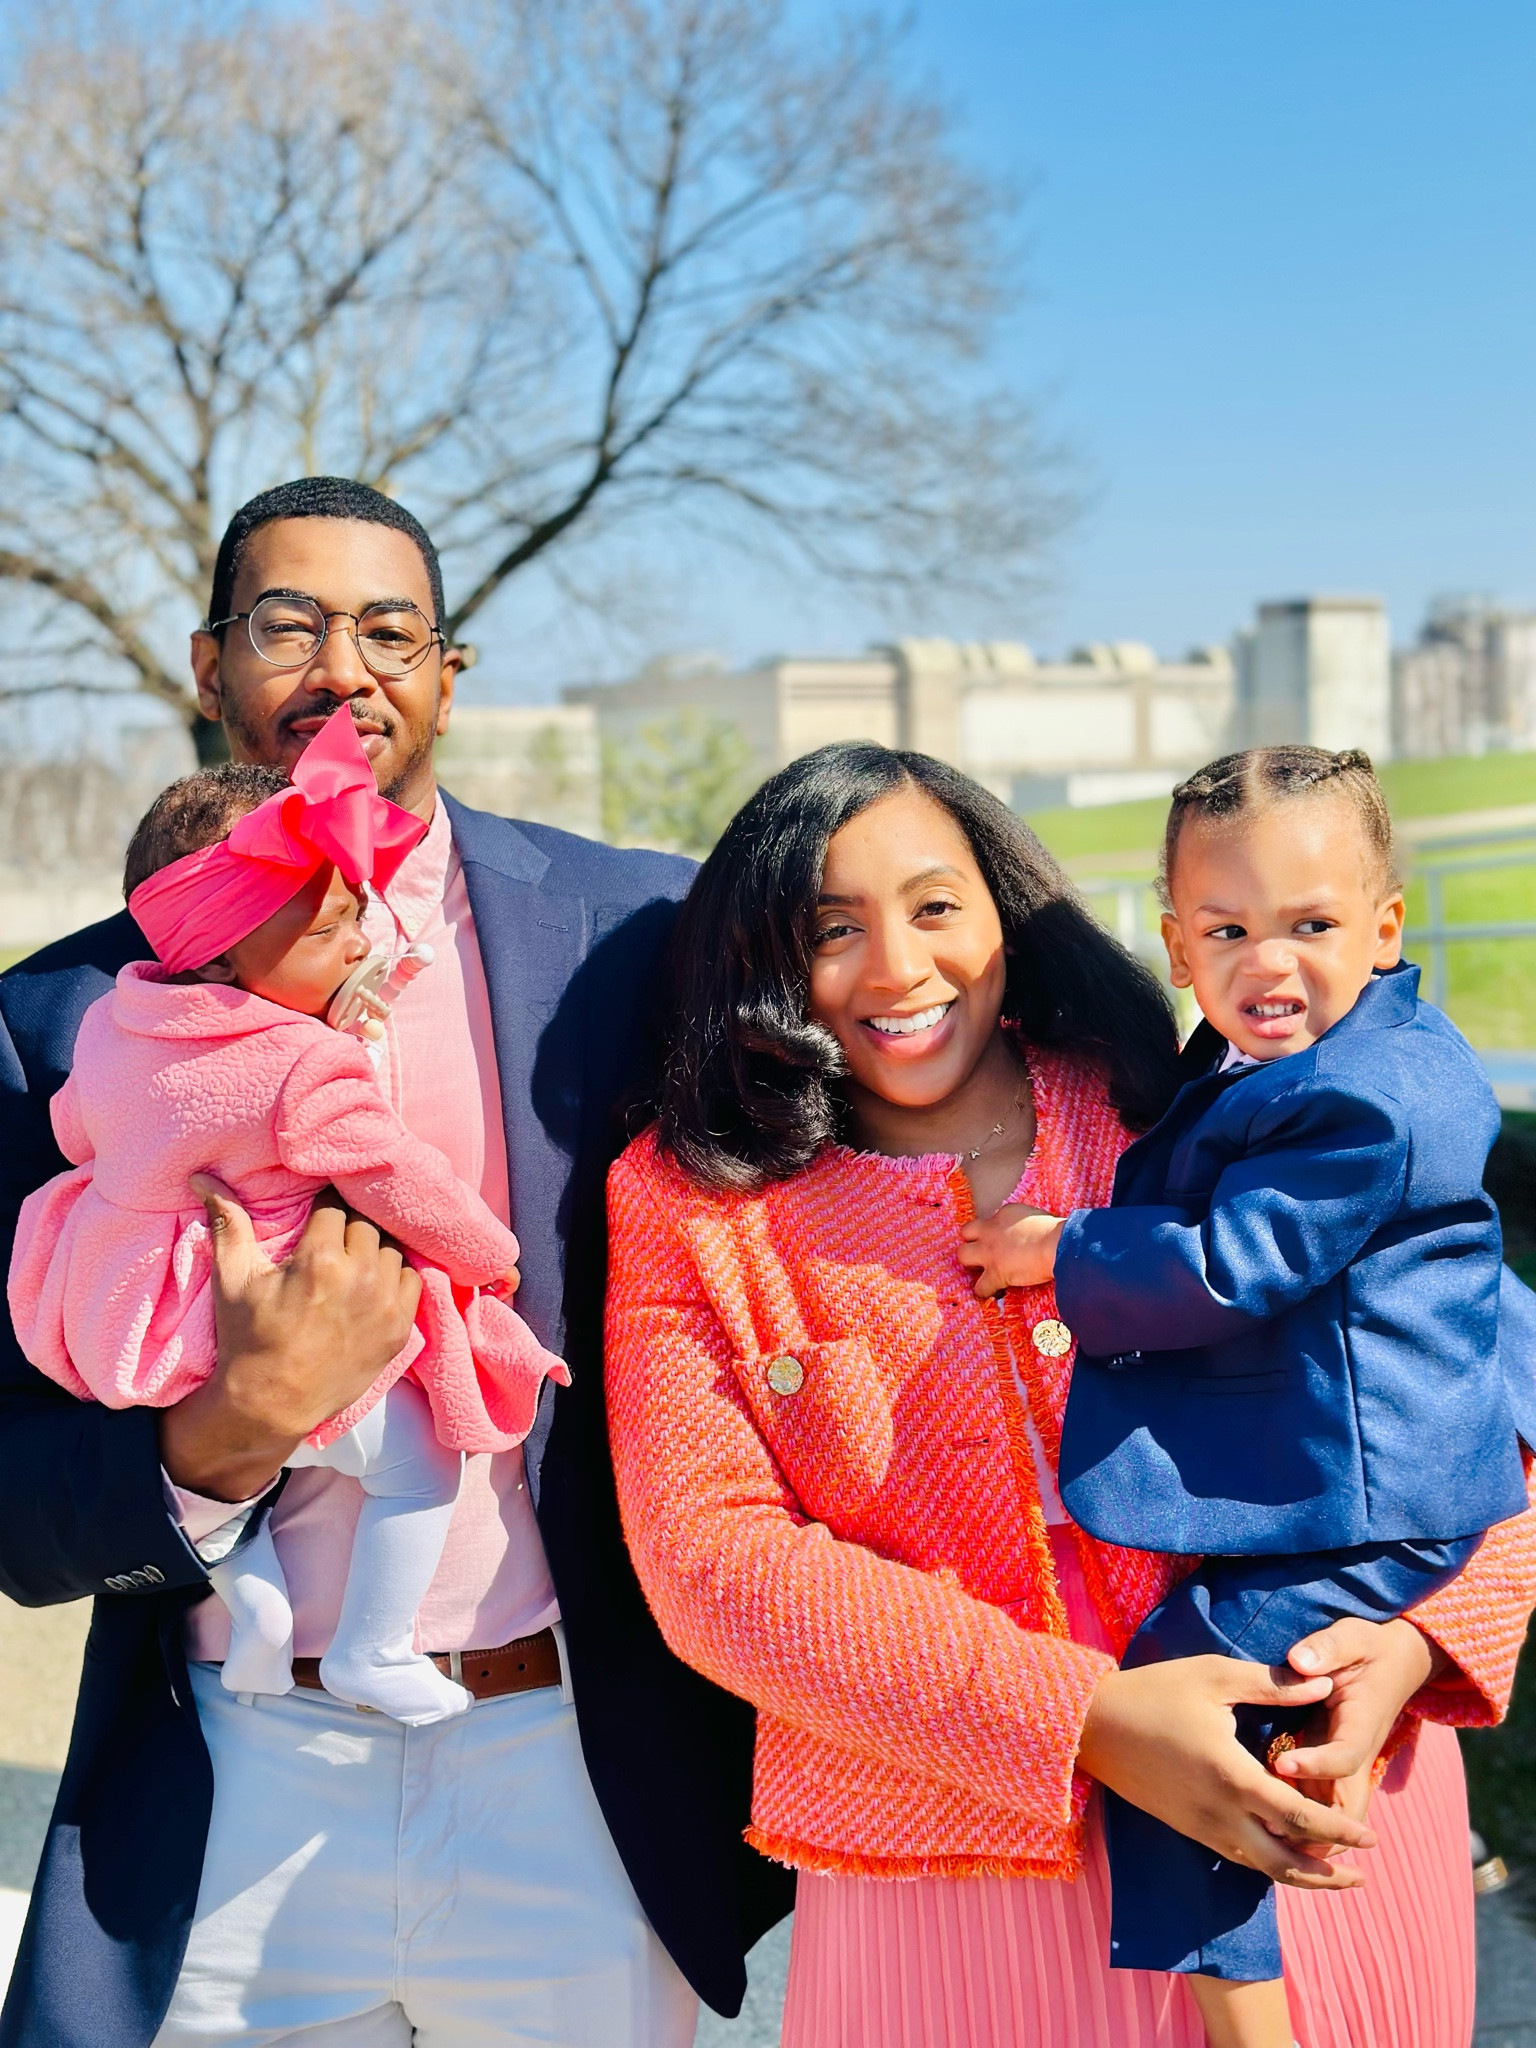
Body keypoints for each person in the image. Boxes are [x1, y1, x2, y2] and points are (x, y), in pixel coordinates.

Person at [0, 477, 791, 2048]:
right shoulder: (55, 1019)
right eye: (289, 622)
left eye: (389, 628)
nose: (342, 667)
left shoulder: (631, 931)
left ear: (445, 672)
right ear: (207, 664)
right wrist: (217, 1440)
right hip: (229, 1774)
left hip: (564, 1759)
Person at [603, 741, 1536, 2048]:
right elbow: (712, 1563)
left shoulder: (1184, 1095)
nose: (898, 967)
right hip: (947, 1881)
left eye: (936, 907)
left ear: (1004, 911)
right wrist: (1082, 1718)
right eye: (831, 929)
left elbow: (1482, 1390)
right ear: (760, 957)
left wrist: (1424, 1645)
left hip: (1307, 1799)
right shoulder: (693, 1205)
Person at [958, 744, 1536, 2047]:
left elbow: (1242, 1261)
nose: (1269, 963)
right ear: (1174, 943)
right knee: (1250, 1702)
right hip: (1361, 1473)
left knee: (1184, 1688)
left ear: (1386, 926)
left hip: (1375, 1499)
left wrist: (1063, 1253)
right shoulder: (1295, 1053)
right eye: (1229, 929)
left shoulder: (1369, 1101)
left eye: (1313, 926)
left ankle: (1245, 2016)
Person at [9, 707, 568, 1725]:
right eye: (331, 927)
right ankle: (371, 1643)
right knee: (419, 1460)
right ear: (226, 957)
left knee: (226, 1482)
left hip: (120, 1316)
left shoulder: (117, 1021)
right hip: (271, 1334)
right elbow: (398, 1178)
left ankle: (251, 1597)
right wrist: (491, 1254)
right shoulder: (303, 1065)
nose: (362, 933)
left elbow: (73, 1129)